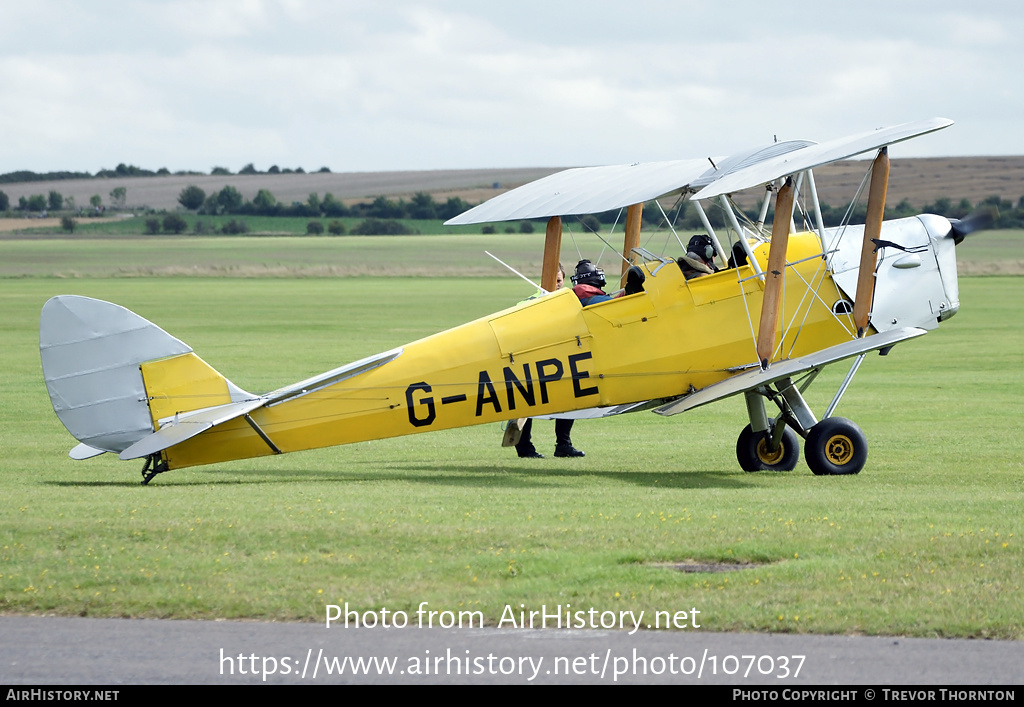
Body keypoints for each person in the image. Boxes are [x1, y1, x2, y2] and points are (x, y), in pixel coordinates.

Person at [507, 263, 586, 459]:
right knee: (528, 404)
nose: (557, 285)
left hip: (560, 362)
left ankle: (564, 445)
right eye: (553, 281)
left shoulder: (569, 301)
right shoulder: (530, 301)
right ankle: (524, 448)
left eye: (559, 281)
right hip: (532, 362)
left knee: (570, 398)